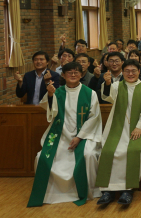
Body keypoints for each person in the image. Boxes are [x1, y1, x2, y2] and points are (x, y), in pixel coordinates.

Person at [27, 62, 102, 207]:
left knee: (89, 155)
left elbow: (94, 117)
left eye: (76, 72)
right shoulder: (57, 92)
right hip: (60, 136)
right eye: (70, 72)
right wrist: (50, 94)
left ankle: (89, 191)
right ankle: (51, 193)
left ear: (81, 74)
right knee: (41, 157)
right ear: (63, 75)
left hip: (84, 136)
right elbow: (50, 110)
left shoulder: (89, 93)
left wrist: (79, 137)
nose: (73, 75)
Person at [95, 59, 141, 206]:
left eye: (134, 71)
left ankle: (127, 191)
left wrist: (140, 127)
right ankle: (107, 191)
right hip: (117, 127)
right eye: (127, 71)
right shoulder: (117, 86)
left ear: (139, 72)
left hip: (138, 129)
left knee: (133, 150)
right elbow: (107, 96)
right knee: (109, 150)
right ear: (122, 72)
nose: (130, 74)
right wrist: (108, 83)